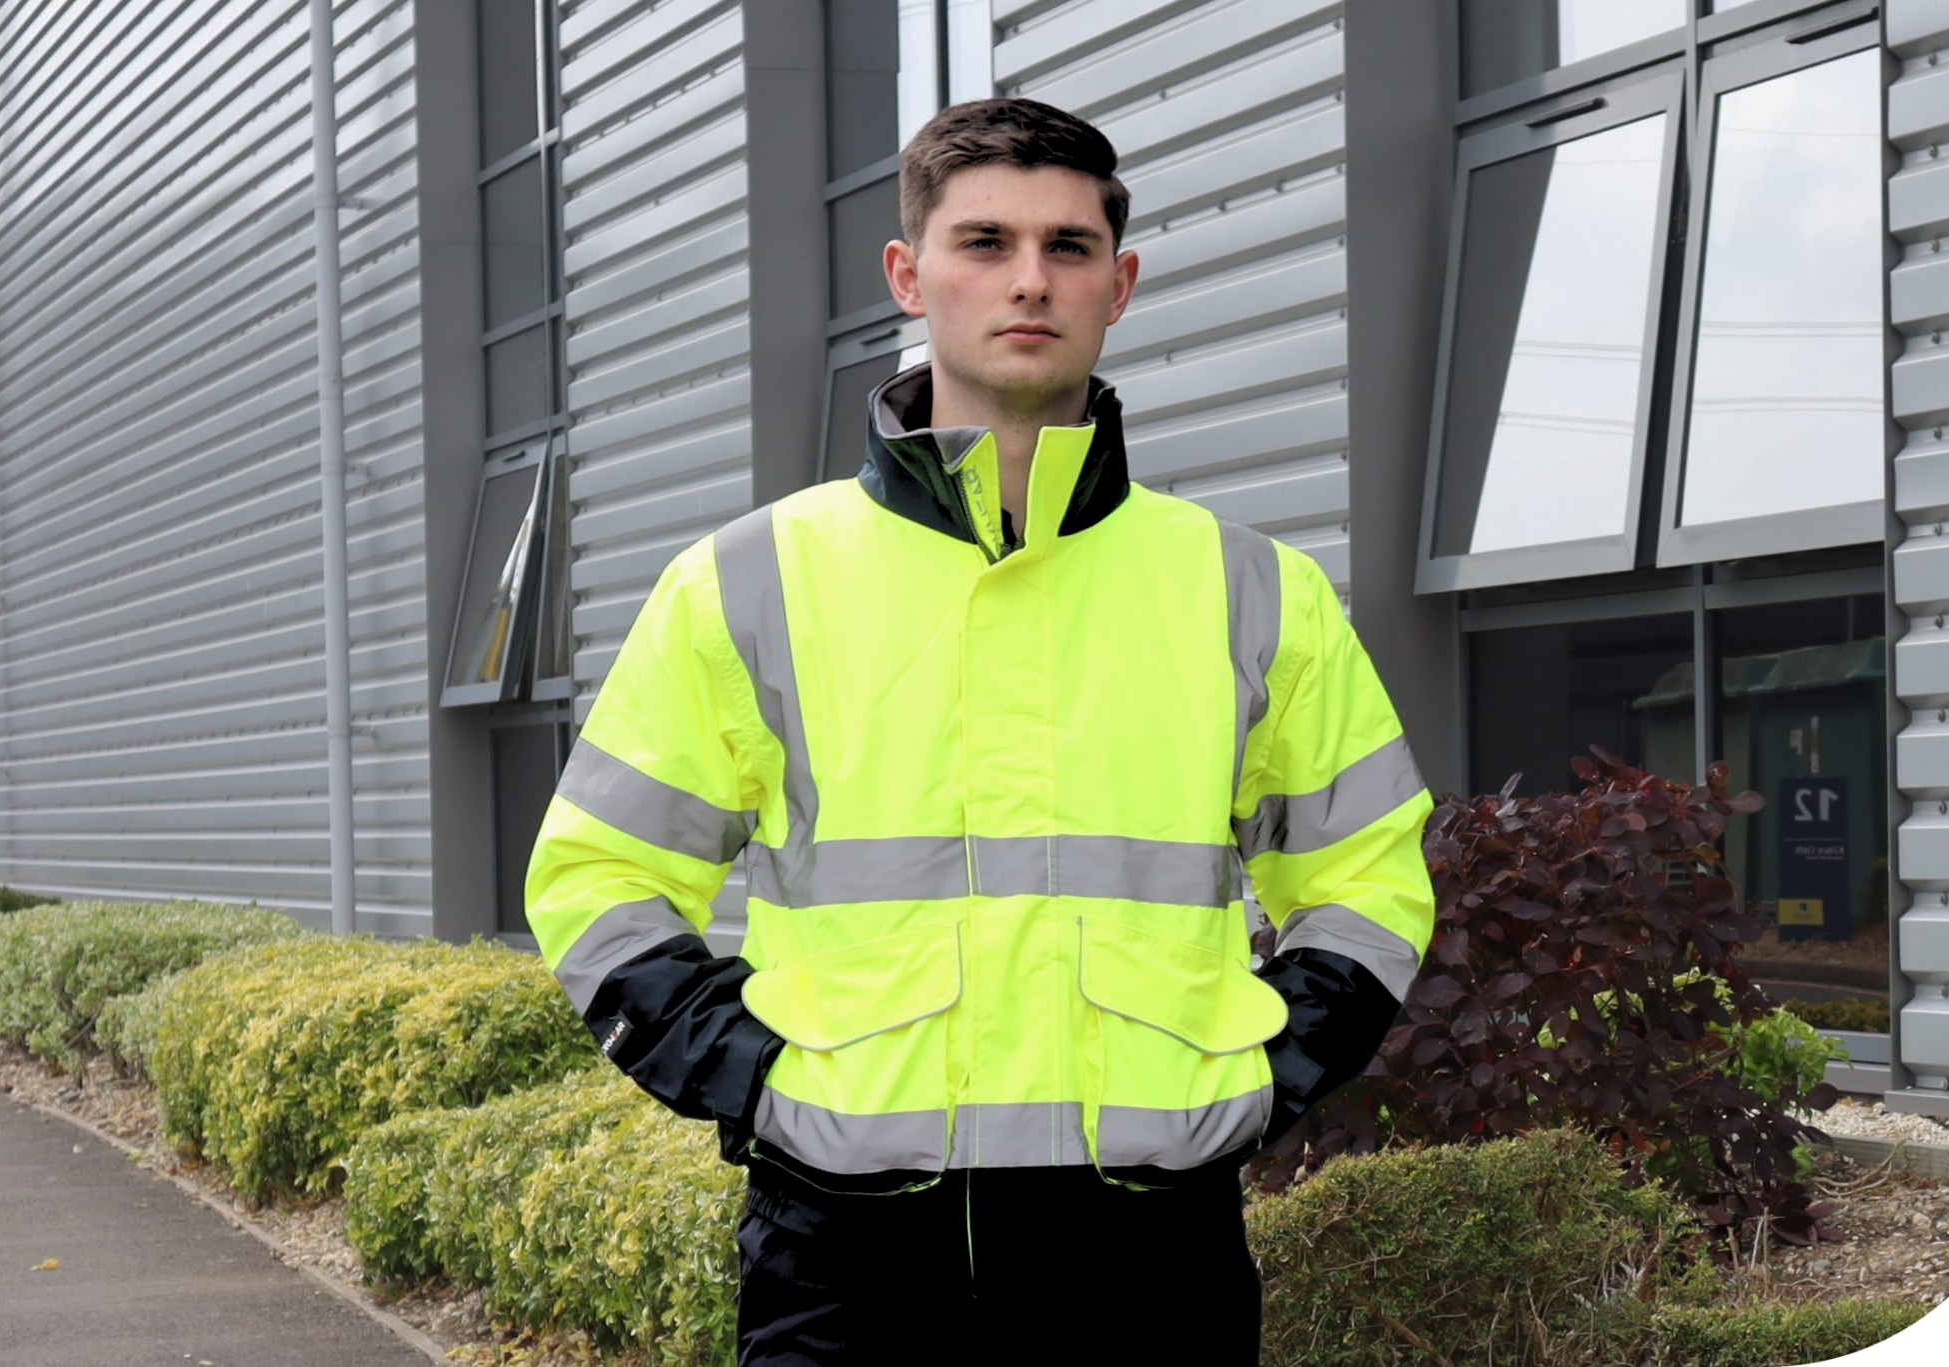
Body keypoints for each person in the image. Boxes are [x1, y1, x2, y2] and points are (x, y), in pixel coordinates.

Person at [524, 97, 1435, 1367]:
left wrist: (1265, 1071)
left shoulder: (1249, 589)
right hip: (844, 1247)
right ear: (909, 273)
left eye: (1067, 248)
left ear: (1118, 285)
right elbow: (597, 873)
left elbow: (1367, 878)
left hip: (1150, 1242)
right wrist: (751, 1078)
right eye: (983, 241)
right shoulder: (747, 580)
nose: (1028, 279)